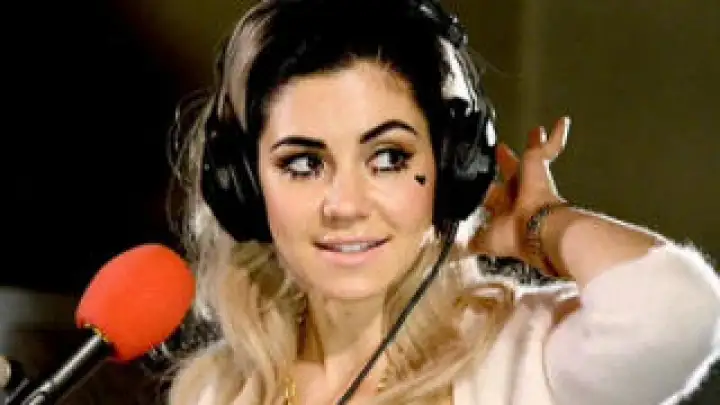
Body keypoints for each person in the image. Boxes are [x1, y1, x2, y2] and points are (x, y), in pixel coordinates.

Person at [164, 1, 720, 404]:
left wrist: (541, 225)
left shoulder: (521, 357)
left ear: (453, 167)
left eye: (388, 158)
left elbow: (679, 312)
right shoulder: (216, 389)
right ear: (243, 185)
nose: (345, 205)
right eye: (304, 164)